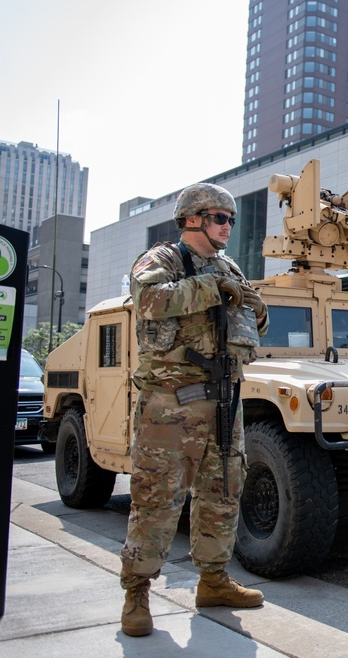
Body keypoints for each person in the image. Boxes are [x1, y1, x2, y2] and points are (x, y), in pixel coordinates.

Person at [119, 183, 269, 637]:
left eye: (230, 219)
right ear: (193, 219)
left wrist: (254, 303)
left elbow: (255, 320)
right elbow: (148, 302)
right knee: (156, 498)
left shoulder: (230, 267)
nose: (227, 226)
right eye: (219, 218)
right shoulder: (162, 260)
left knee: (222, 493)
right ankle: (137, 593)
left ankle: (213, 580)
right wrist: (210, 287)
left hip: (225, 399)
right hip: (171, 406)